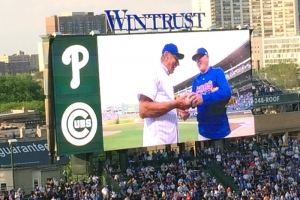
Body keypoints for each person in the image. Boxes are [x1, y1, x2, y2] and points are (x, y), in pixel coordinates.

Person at [138, 43, 192, 147]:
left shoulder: (165, 76)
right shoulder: (154, 72)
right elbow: (143, 109)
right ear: (166, 55)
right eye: (176, 58)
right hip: (158, 143)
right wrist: (176, 103)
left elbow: (163, 104)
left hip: (170, 142)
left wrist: (178, 110)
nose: (178, 63)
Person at [188, 47, 233, 140]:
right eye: (196, 59)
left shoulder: (217, 72)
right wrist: (185, 107)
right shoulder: (195, 81)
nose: (198, 61)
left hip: (221, 130)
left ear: (207, 57)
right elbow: (193, 102)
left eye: (200, 57)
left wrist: (203, 98)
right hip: (203, 133)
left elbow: (226, 92)